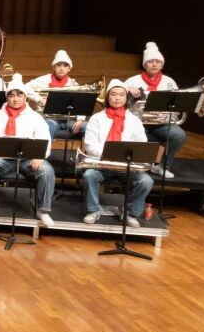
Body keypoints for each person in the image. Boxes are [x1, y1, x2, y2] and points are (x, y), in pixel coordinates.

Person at [0, 74, 55, 227]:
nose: (15, 99)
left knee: (47, 171)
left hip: (28, 159)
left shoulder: (35, 117)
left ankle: (43, 210)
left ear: (25, 97)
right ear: (7, 98)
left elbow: (45, 139)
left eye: (19, 95)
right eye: (11, 95)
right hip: (2, 157)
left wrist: (40, 156)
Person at [79, 79, 155, 226]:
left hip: (126, 166)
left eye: (121, 95)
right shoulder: (96, 118)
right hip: (102, 164)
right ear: (108, 97)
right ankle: (93, 210)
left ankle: (129, 213)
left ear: (126, 98)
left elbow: (142, 144)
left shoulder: (134, 120)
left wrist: (125, 156)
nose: (117, 98)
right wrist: (110, 153)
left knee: (146, 181)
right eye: (113, 94)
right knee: (89, 175)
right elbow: (89, 145)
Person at [124, 41, 187, 179]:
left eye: (158, 62)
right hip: (138, 123)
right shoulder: (132, 80)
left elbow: (177, 106)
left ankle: (162, 166)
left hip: (161, 124)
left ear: (162, 65)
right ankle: (135, 166)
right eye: (150, 61)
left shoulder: (169, 82)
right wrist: (126, 88)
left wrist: (168, 115)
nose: (154, 64)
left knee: (179, 135)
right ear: (144, 64)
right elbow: (117, 95)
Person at [27, 49, 87, 139]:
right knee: (51, 126)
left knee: (87, 127)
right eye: (58, 65)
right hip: (48, 118)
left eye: (65, 66)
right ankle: (47, 148)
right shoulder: (44, 79)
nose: (61, 68)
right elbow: (24, 87)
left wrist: (80, 120)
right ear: (54, 67)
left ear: (69, 68)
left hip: (68, 120)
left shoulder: (74, 84)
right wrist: (39, 99)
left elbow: (81, 103)